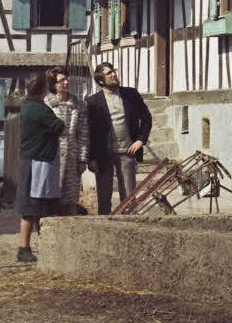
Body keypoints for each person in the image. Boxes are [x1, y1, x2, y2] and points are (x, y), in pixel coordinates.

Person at [86, 62, 152, 215]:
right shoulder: (92, 102)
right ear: (101, 80)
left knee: (129, 197)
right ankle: (106, 230)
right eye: (108, 74)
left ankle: (129, 227)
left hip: (127, 151)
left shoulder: (131, 94)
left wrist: (140, 140)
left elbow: (146, 118)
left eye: (113, 71)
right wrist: (91, 158)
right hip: (103, 155)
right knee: (104, 197)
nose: (113, 75)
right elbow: (89, 131)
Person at [15, 71, 65, 262]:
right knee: (36, 207)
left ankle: (27, 247)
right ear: (44, 88)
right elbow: (61, 128)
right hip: (39, 162)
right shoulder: (39, 109)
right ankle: (27, 248)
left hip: (33, 160)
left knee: (33, 207)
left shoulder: (27, 105)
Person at [44, 69, 89, 216]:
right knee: (52, 194)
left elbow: (83, 132)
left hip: (72, 156)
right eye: (61, 80)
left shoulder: (78, 104)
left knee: (71, 198)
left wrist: (82, 159)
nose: (66, 82)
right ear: (53, 84)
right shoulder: (46, 104)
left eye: (67, 79)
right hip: (52, 156)